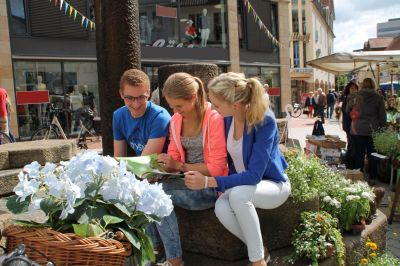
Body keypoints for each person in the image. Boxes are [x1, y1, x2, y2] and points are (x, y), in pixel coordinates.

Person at [184, 72, 291, 266]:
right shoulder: (226, 119)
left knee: (238, 196)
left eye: (216, 105)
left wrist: (209, 182)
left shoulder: (264, 120)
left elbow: (254, 175)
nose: (213, 110)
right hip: (242, 187)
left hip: (274, 185)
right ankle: (261, 250)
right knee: (221, 207)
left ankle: (258, 262)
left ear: (234, 104)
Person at [155, 72, 228, 266]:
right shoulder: (176, 121)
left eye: (179, 106)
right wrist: (161, 167)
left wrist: (179, 166)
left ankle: (175, 261)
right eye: (171, 106)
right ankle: (154, 254)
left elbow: (218, 168)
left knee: (160, 195)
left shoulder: (214, 118)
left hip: (210, 187)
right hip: (185, 183)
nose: (175, 111)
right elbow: (175, 157)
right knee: (148, 191)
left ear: (193, 98)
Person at [112, 69, 171, 157]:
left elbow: (146, 161)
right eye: (129, 98)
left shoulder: (160, 117)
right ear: (121, 94)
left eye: (141, 97)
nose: (136, 104)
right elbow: (119, 158)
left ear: (148, 93)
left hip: (161, 169)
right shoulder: (118, 115)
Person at [346, 78, 386, 185]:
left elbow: (347, 110)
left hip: (357, 129)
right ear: (373, 85)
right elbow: (382, 116)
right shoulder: (378, 97)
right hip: (372, 130)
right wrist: (382, 128)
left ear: (363, 85)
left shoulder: (356, 96)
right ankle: (372, 178)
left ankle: (358, 178)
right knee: (372, 154)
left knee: (359, 154)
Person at [341, 81, 359, 169]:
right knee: (352, 146)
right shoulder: (349, 98)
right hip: (349, 126)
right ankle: (350, 166)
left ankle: (351, 165)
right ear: (348, 89)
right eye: (352, 88)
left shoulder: (355, 98)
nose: (354, 90)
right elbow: (347, 112)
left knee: (353, 145)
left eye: (355, 88)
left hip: (353, 126)